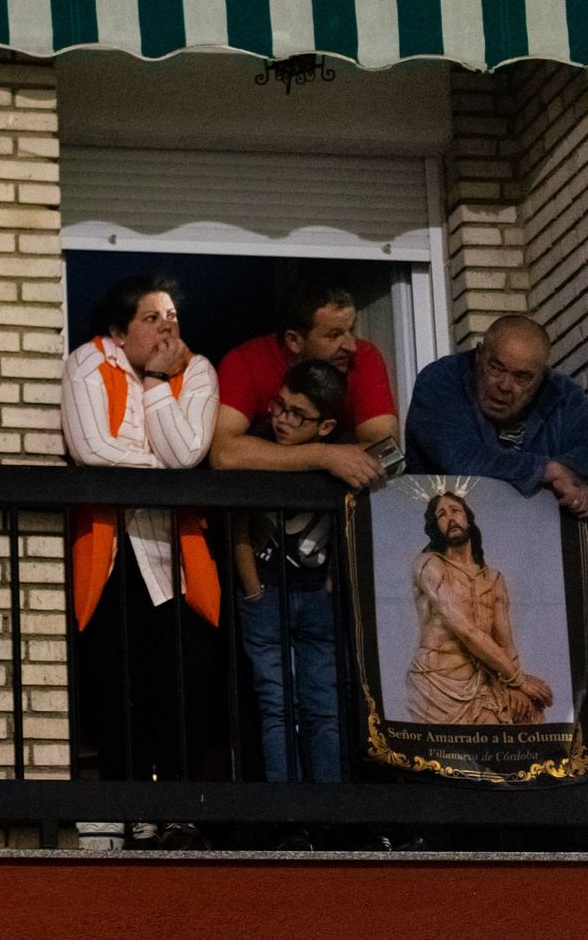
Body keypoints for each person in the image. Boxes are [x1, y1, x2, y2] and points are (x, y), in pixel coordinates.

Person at [59, 274, 219, 852]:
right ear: (117, 330)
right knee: (114, 683)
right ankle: (130, 813)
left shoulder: (196, 370)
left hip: (172, 557)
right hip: (109, 551)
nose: (168, 325)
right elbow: (92, 451)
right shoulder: (87, 362)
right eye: (153, 317)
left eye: (172, 315)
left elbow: (187, 451)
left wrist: (154, 380)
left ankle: (177, 813)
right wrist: (166, 473)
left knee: (178, 684)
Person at [231, 361, 347, 846]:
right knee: (276, 704)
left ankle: (332, 815)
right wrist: (253, 588)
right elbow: (237, 526)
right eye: (279, 404)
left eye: (296, 414)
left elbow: (348, 525)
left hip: (314, 595)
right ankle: (287, 815)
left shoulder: (336, 461)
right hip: (268, 594)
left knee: (322, 704)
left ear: (325, 427)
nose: (280, 418)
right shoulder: (254, 446)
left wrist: (330, 587)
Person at [404, 314, 588, 517]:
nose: (504, 386)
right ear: (479, 355)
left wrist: (561, 474)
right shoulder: (441, 379)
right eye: (496, 368)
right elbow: (461, 458)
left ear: (541, 378)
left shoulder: (561, 393)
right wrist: (546, 471)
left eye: (521, 377)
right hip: (437, 533)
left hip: (537, 538)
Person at [211, 280, 395, 488]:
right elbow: (223, 454)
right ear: (294, 341)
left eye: (351, 330)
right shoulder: (247, 361)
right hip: (261, 501)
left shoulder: (363, 357)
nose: (351, 346)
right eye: (334, 335)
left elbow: (385, 452)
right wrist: (324, 456)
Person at [408, 491, 553, 725]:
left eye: (455, 511)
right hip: (439, 682)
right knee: (491, 730)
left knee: (531, 713)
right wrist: (517, 680)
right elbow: (465, 630)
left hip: (483, 678)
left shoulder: (493, 579)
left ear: (468, 518)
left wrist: (514, 687)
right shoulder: (429, 565)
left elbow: (505, 641)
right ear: (436, 526)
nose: (450, 518)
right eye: (441, 515)